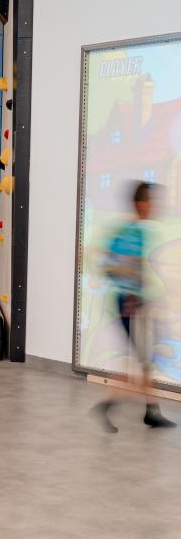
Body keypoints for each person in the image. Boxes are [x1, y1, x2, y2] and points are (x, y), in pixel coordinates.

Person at [92, 180, 175, 432]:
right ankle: (109, 405)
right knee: (140, 361)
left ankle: (151, 411)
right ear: (141, 203)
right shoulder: (133, 232)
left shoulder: (132, 229)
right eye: (151, 201)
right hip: (131, 303)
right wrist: (131, 296)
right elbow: (122, 267)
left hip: (134, 301)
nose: (154, 206)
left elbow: (112, 262)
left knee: (143, 360)